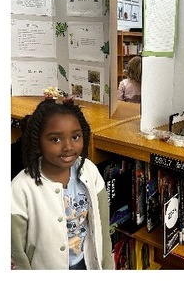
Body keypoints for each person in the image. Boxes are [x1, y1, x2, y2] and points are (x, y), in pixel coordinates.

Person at [11, 95, 114, 270]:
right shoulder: (21, 188)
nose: (68, 147)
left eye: (75, 137)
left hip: (87, 262)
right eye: (55, 139)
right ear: (38, 142)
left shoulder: (90, 171)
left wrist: (107, 267)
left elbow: (102, 227)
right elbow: (16, 251)